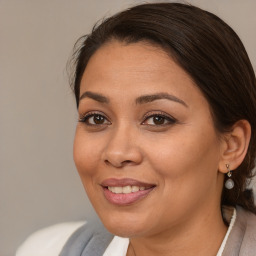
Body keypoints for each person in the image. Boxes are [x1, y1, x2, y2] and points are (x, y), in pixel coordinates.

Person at [17, 2, 256, 256]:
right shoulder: (46, 250)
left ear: (231, 146)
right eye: (97, 118)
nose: (117, 153)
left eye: (158, 120)